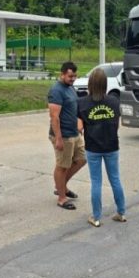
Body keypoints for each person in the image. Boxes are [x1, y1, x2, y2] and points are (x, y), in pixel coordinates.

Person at [77, 68, 126, 227]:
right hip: (112, 145)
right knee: (115, 179)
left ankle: (96, 217)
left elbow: (79, 128)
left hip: (93, 147)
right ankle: (121, 213)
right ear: (105, 84)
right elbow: (116, 125)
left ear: (90, 84)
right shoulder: (114, 101)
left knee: (96, 181)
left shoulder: (82, 103)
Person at [48, 61, 87, 210]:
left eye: (75, 76)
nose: (73, 79)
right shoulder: (56, 90)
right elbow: (54, 117)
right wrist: (58, 138)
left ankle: (61, 186)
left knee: (82, 160)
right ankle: (62, 198)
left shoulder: (70, 88)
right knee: (62, 166)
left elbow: (75, 107)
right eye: (70, 76)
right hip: (63, 135)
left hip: (74, 133)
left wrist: (79, 123)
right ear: (62, 74)